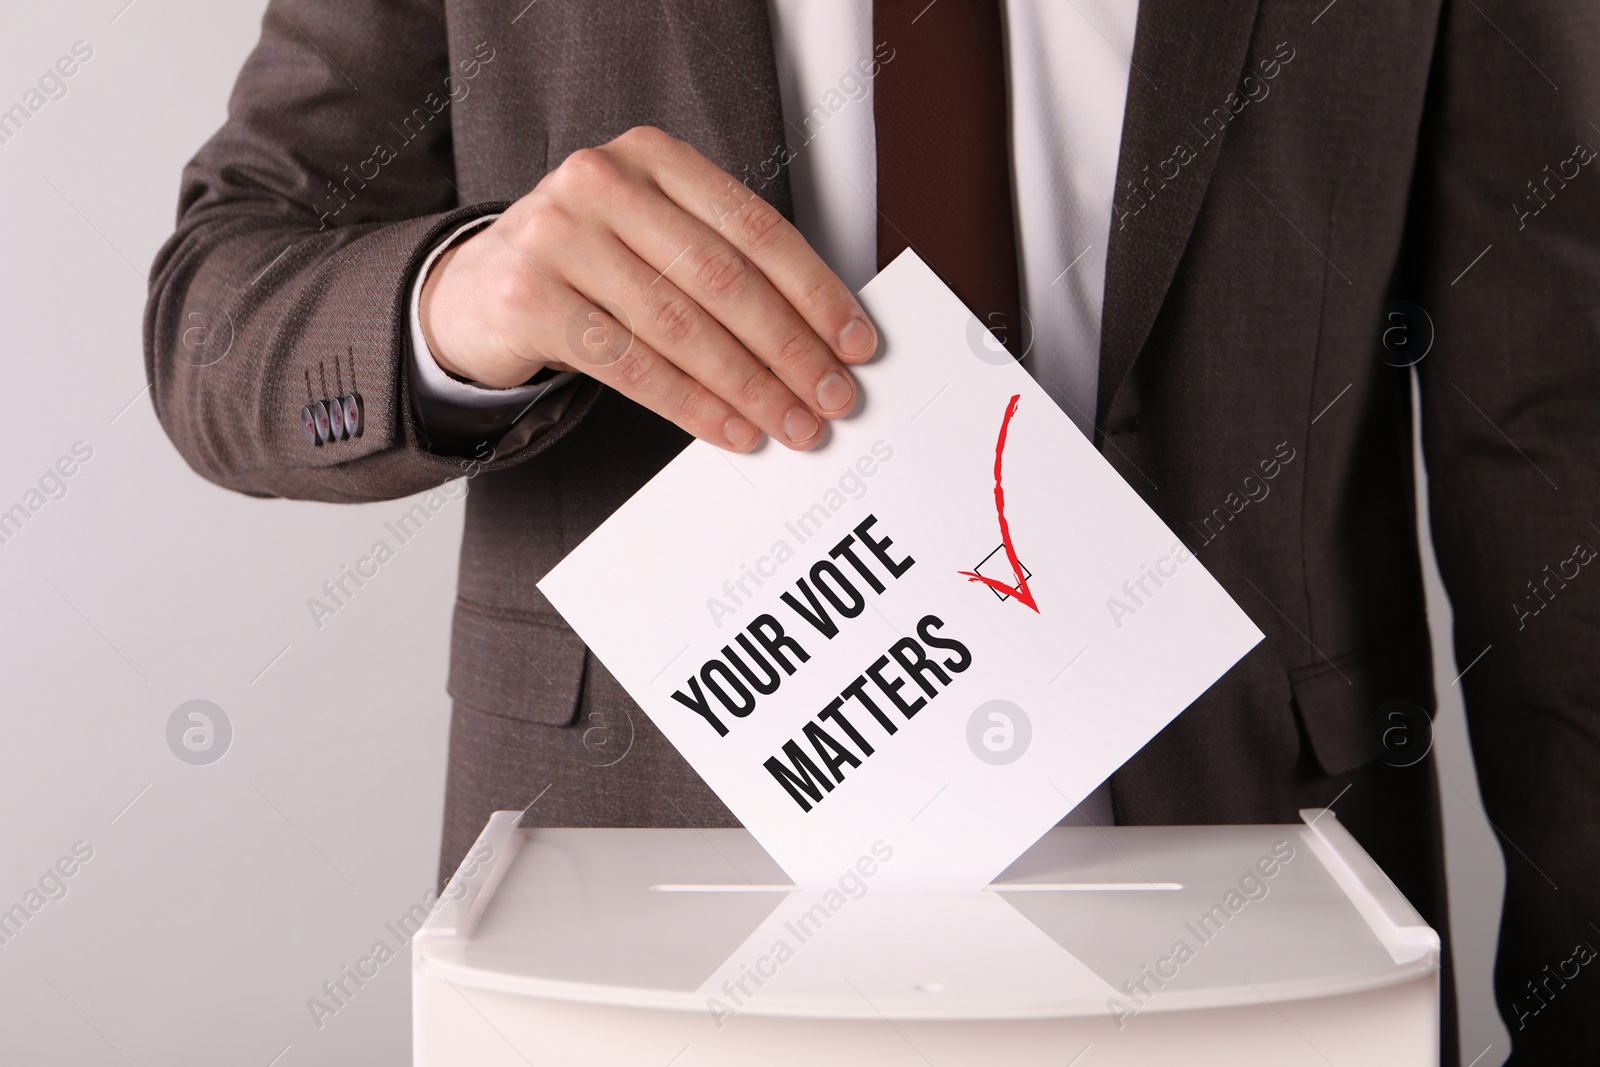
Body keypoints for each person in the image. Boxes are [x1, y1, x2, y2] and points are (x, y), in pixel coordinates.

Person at [145, 3, 1598, 1062]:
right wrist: (467, 299)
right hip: (629, 928)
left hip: (1251, 940)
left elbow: (1550, 464)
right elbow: (216, 313)